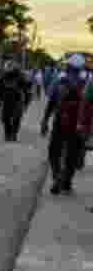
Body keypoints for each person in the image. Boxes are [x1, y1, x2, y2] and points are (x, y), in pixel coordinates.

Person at [42, 53, 88, 195]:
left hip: (60, 121)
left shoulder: (59, 80)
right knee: (73, 154)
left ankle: (57, 176)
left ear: (68, 66)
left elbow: (51, 101)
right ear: (81, 68)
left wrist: (44, 120)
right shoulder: (86, 82)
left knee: (54, 151)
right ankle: (67, 181)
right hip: (78, 124)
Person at [0, 60, 30, 142]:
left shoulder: (20, 77)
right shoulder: (3, 77)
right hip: (6, 101)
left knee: (17, 118)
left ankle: (14, 134)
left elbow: (26, 89)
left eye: (11, 67)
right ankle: (7, 134)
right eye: (8, 67)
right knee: (5, 118)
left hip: (17, 101)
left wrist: (26, 102)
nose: (9, 70)